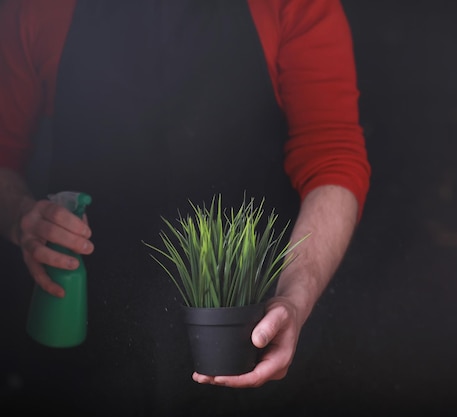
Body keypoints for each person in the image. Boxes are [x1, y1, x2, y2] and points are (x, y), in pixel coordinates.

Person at [0, 0, 370, 413]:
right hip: (87, 351)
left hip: (255, 341)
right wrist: (19, 216)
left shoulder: (293, 6)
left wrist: (294, 298)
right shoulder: (36, 8)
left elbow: (333, 160)